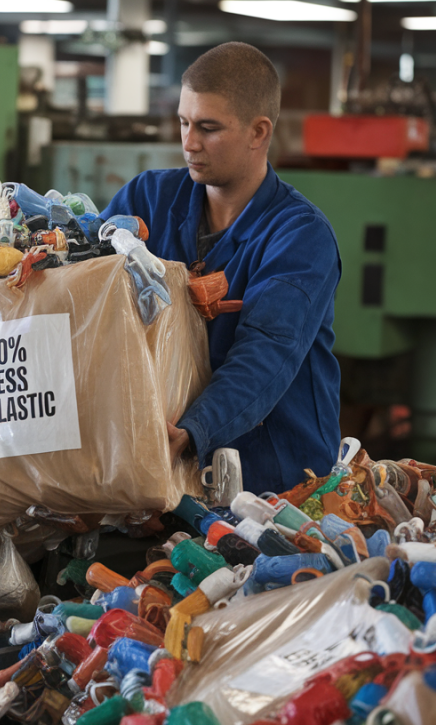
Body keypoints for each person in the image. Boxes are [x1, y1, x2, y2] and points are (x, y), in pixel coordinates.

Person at [100, 42, 341, 495]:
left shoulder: (300, 237)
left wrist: (192, 431)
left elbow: (267, 350)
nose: (189, 143)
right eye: (184, 123)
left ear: (258, 132)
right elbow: (89, 296)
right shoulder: (146, 201)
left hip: (272, 481)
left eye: (208, 128)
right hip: (152, 472)